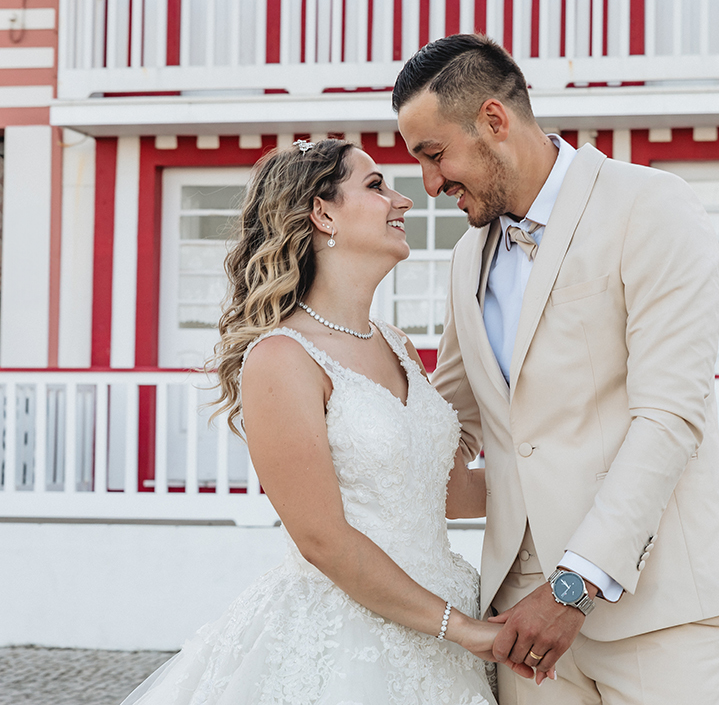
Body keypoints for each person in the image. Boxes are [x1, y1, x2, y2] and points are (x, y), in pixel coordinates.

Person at [394, 34, 719, 705]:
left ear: (494, 120)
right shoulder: (469, 259)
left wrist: (572, 586)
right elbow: (452, 422)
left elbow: (670, 416)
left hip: (659, 613)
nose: (431, 186)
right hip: (517, 617)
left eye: (434, 156)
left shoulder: (653, 206)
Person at [120, 138, 514, 705]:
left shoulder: (397, 345)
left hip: (445, 621)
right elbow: (322, 539)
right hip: (346, 637)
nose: (404, 201)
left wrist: (556, 480)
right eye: (376, 186)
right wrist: (464, 628)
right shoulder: (281, 358)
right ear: (323, 211)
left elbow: (446, 491)